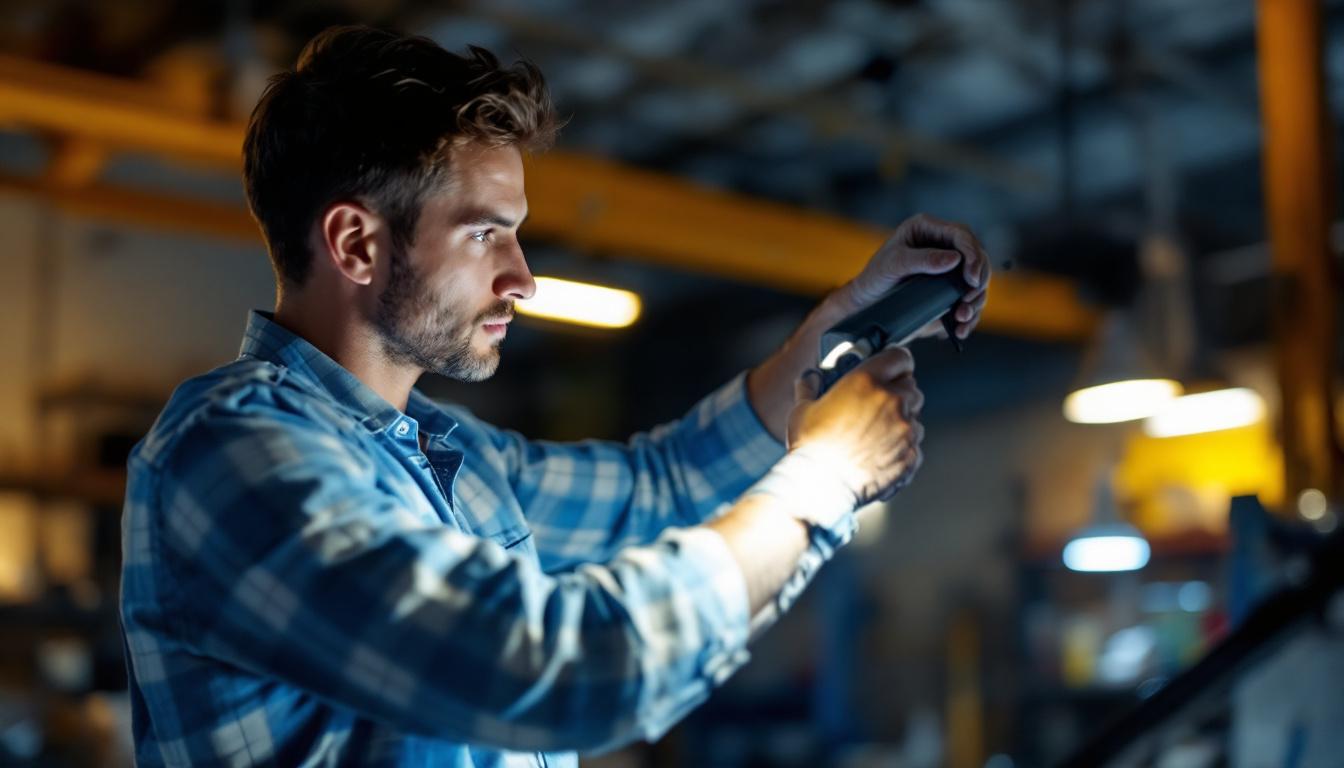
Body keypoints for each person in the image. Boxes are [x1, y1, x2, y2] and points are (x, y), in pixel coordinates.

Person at [119, 25, 990, 767]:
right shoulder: (226, 456)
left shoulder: (447, 456)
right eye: (486, 234)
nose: (523, 278)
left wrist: (834, 327)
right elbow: (564, 671)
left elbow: (661, 489)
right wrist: (823, 481)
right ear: (355, 244)